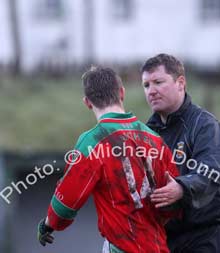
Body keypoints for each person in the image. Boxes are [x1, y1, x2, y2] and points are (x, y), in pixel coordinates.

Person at [37, 66, 181, 253]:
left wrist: (47, 225)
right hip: (159, 247)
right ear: (122, 93)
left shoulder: (92, 142)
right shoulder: (155, 139)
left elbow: (65, 206)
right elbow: (173, 205)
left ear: (87, 102)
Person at [141, 54, 220, 253]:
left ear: (181, 83)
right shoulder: (145, 132)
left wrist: (182, 188)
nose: (151, 91)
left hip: (211, 231)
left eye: (158, 82)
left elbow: (213, 171)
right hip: (170, 233)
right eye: (146, 85)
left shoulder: (205, 125)